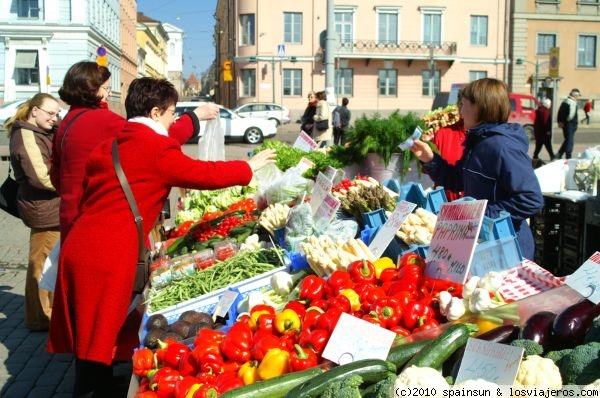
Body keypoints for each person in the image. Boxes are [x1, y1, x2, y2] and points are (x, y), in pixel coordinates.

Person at [47, 77, 276, 396]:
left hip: (81, 244)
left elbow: (89, 193)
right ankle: (91, 390)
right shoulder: (155, 147)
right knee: (94, 344)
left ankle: (97, 383)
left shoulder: (113, 142)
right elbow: (200, 174)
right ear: (155, 113)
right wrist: (247, 167)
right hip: (107, 253)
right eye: (171, 114)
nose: (173, 121)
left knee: (90, 336)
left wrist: (193, 121)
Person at [50, 61, 219, 242]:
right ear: (94, 90)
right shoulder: (104, 121)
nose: (108, 94)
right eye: (106, 88)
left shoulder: (66, 123)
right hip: (99, 223)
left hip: (70, 218)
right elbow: (153, 141)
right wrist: (194, 118)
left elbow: (56, 176)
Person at [410, 78, 543, 259]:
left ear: (479, 108)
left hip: (509, 247)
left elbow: (531, 199)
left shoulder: (502, 147)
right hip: (487, 243)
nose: (460, 112)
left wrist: (481, 213)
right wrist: (430, 159)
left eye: (463, 105)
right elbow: (458, 179)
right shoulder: (479, 142)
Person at [5, 93, 60, 331]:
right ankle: (41, 316)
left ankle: (41, 314)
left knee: (45, 261)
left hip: (48, 206)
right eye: (50, 113)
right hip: (43, 208)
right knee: (43, 264)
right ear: (34, 111)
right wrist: (70, 184)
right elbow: (41, 178)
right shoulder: (26, 135)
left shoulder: (39, 131)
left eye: (57, 113)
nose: (54, 118)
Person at [430, 117, 467, 201]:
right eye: (461, 104)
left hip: (475, 207)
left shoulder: (486, 139)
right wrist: (428, 159)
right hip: (442, 202)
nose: (462, 109)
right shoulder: (443, 133)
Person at [556, 88, 581, 159]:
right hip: (570, 124)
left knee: (567, 140)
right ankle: (568, 156)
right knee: (569, 141)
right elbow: (571, 115)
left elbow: (559, 112)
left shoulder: (565, 101)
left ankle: (559, 153)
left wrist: (560, 121)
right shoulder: (572, 102)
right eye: (578, 96)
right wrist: (567, 121)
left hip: (565, 125)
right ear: (575, 96)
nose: (578, 97)